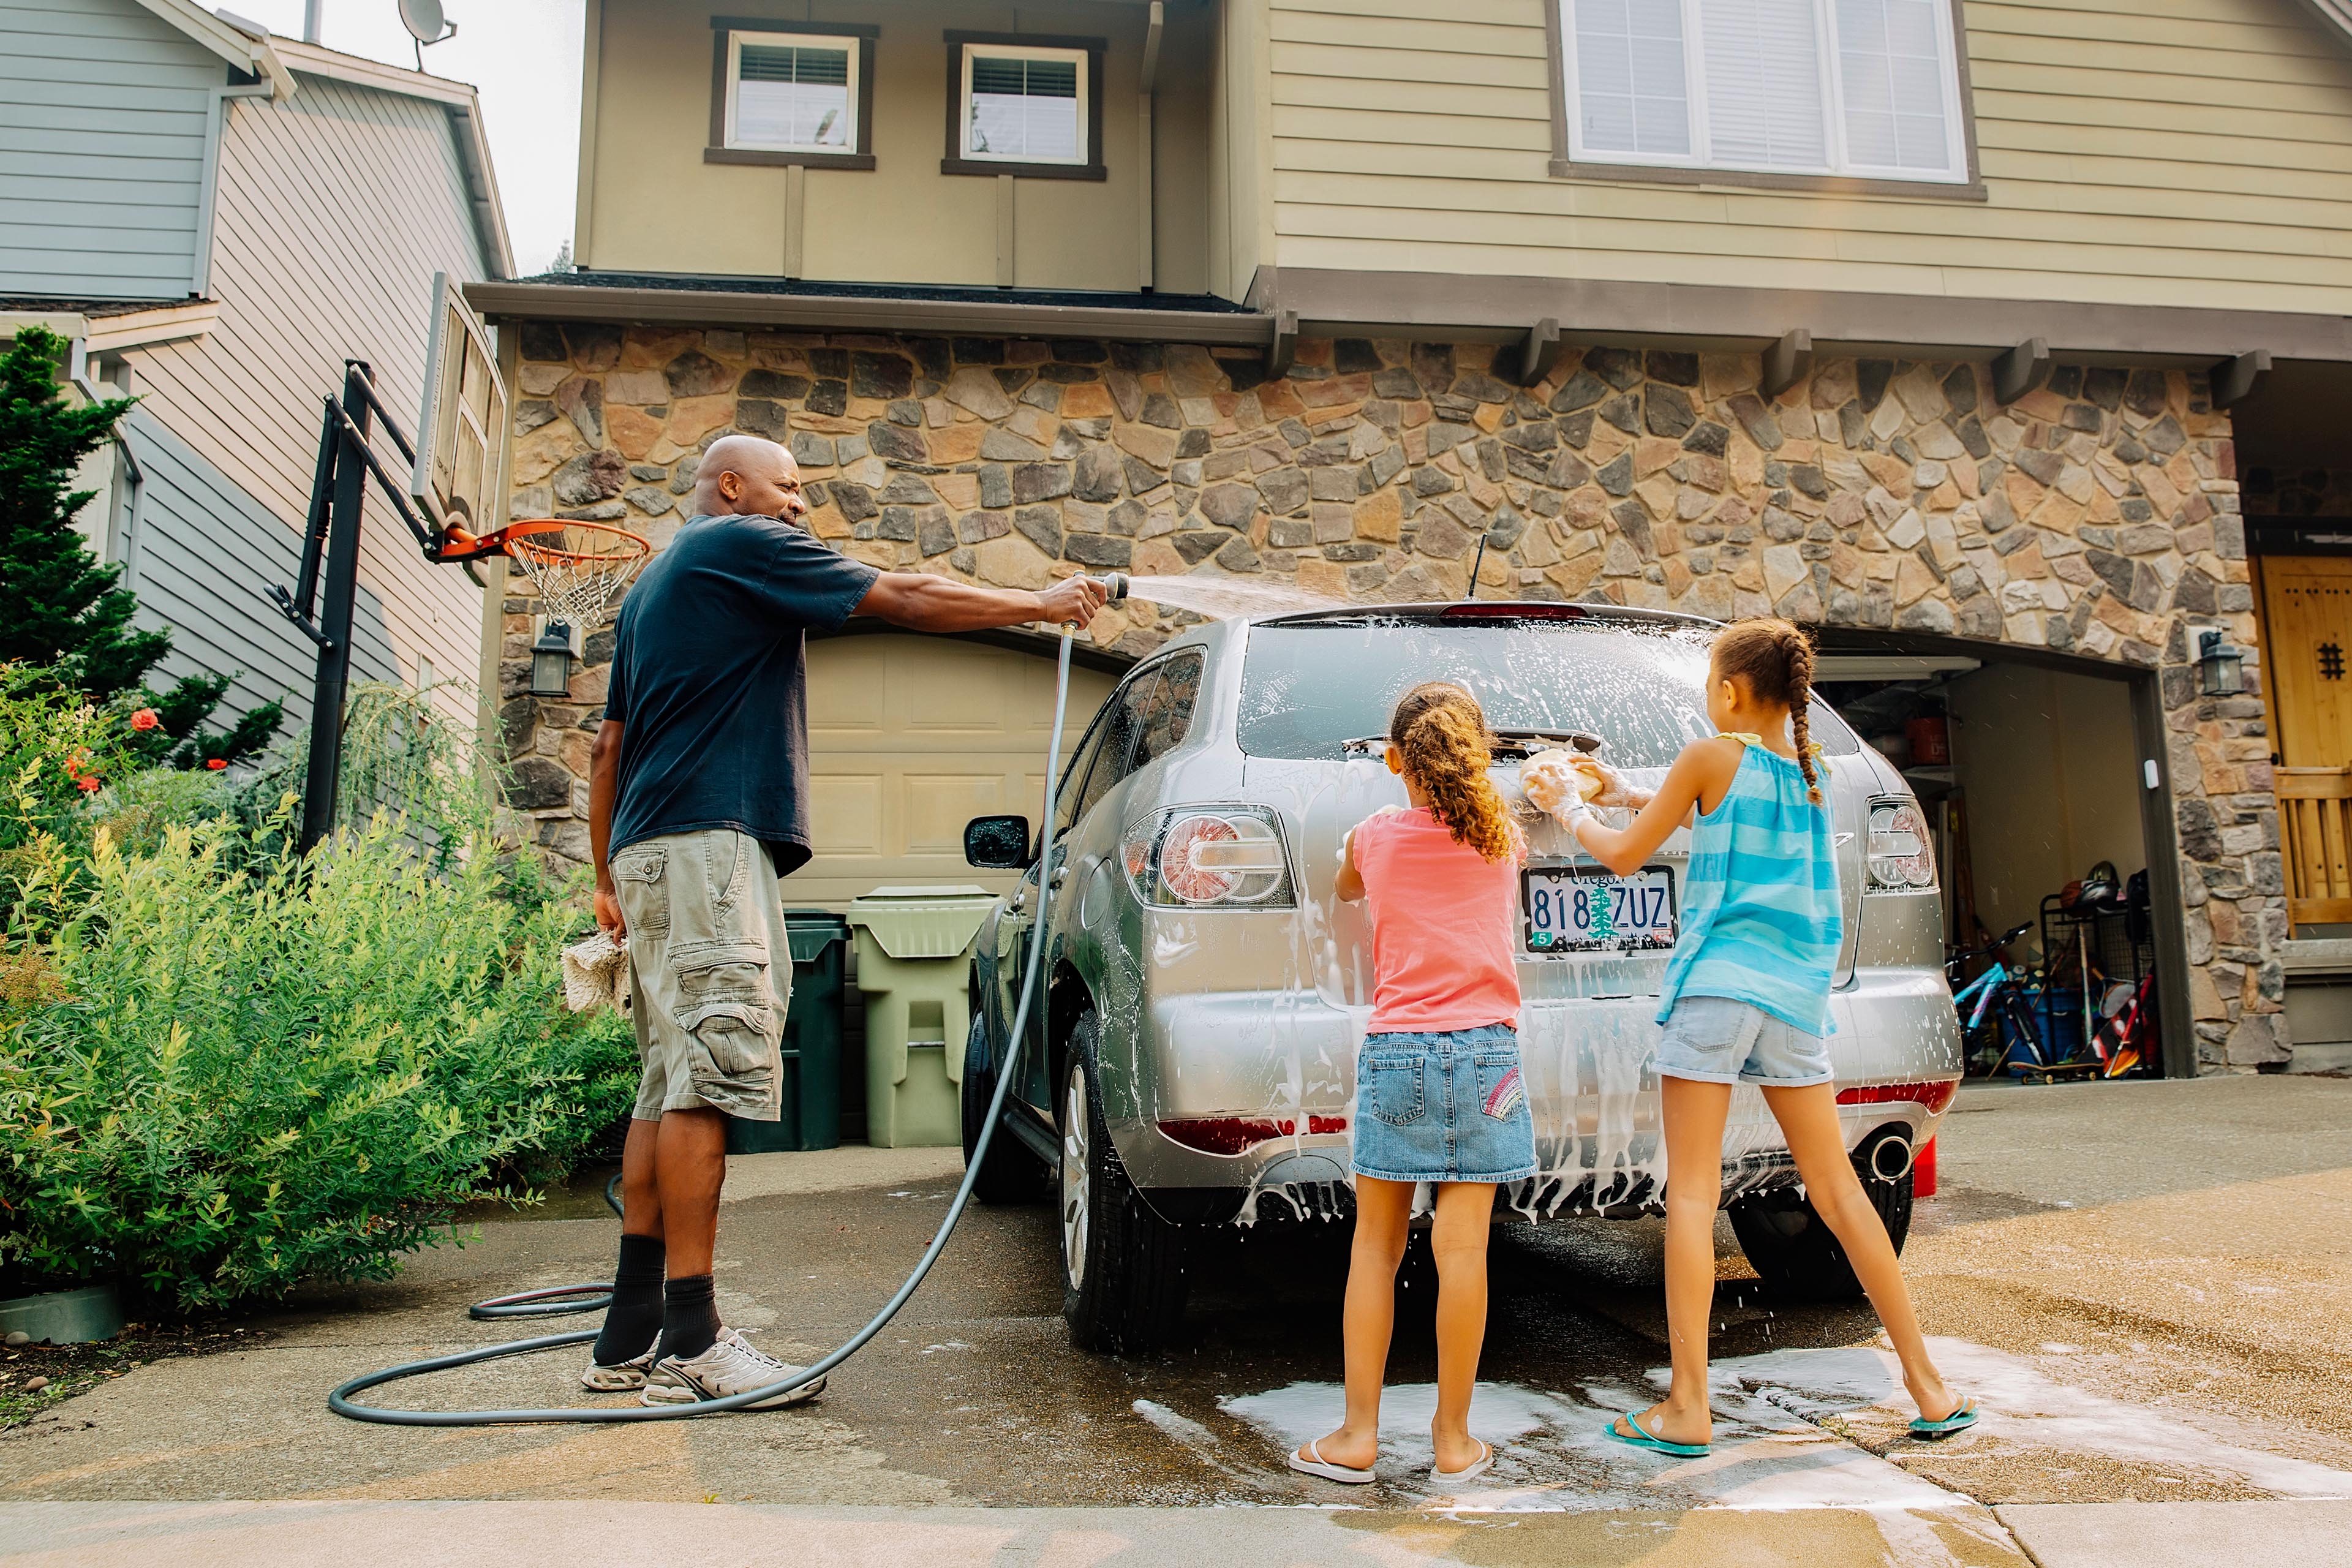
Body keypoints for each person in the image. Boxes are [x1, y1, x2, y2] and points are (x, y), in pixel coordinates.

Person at [584, 434, 1106, 1407]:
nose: (798, 505)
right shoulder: (735, 542)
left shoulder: (655, 585)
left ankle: (629, 1338)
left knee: (664, 1087)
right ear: (730, 486)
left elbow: (608, 745)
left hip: (653, 850)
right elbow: (899, 596)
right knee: (711, 1079)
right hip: (707, 844)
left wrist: (606, 874)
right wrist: (1038, 604)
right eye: (787, 486)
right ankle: (696, 1337)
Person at [1534, 617, 1974, 1455]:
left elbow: (1626, 856)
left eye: (1710, 686)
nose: (1708, 698)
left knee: (1694, 1197)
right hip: (1794, 1006)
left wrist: (1566, 806)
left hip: (1714, 997)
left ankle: (1689, 1408)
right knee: (1841, 1196)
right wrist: (1628, 788)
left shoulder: (1708, 757)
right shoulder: (1811, 775)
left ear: (1732, 692)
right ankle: (1929, 1386)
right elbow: (1727, 823)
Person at [1292, 682, 1534, 1488]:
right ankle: (1455, 1442)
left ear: (1395, 759)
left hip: (1399, 1053)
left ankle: (1358, 1436)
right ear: (1478, 755)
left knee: (1376, 1246)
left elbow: (1345, 889)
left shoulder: (1374, 839)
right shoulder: (1502, 838)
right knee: (1462, 1249)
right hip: (1487, 1056)